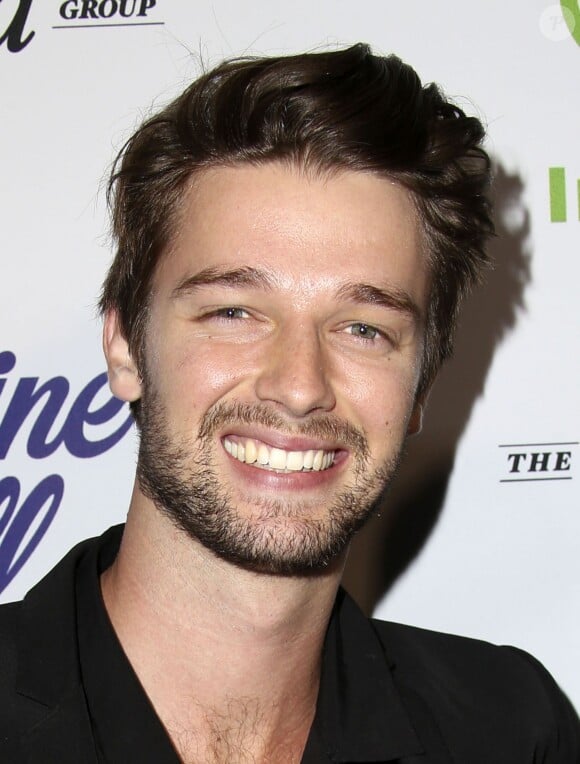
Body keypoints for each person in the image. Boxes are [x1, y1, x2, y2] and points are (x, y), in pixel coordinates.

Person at [0, 43, 578, 763]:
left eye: (364, 328)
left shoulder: (510, 732)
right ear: (124, 347)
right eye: (235, 312)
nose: (300, 385)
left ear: (423, 383)